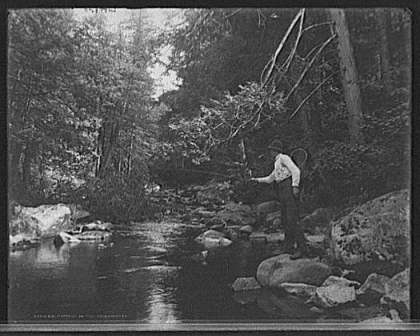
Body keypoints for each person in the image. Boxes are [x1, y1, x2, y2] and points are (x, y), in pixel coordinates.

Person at [250, 139, 307, 259]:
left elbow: (296, 171)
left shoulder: (284, 158)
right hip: (282, 190)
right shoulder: (277, 163)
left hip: (288, 188)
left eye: (272, 150)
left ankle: (302, 249)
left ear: (276, 151)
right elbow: (271, 178)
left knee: (292, 219)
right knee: (286, 220)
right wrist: (256, 180)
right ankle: (288, 247)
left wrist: (295, 186)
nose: (270, 152)